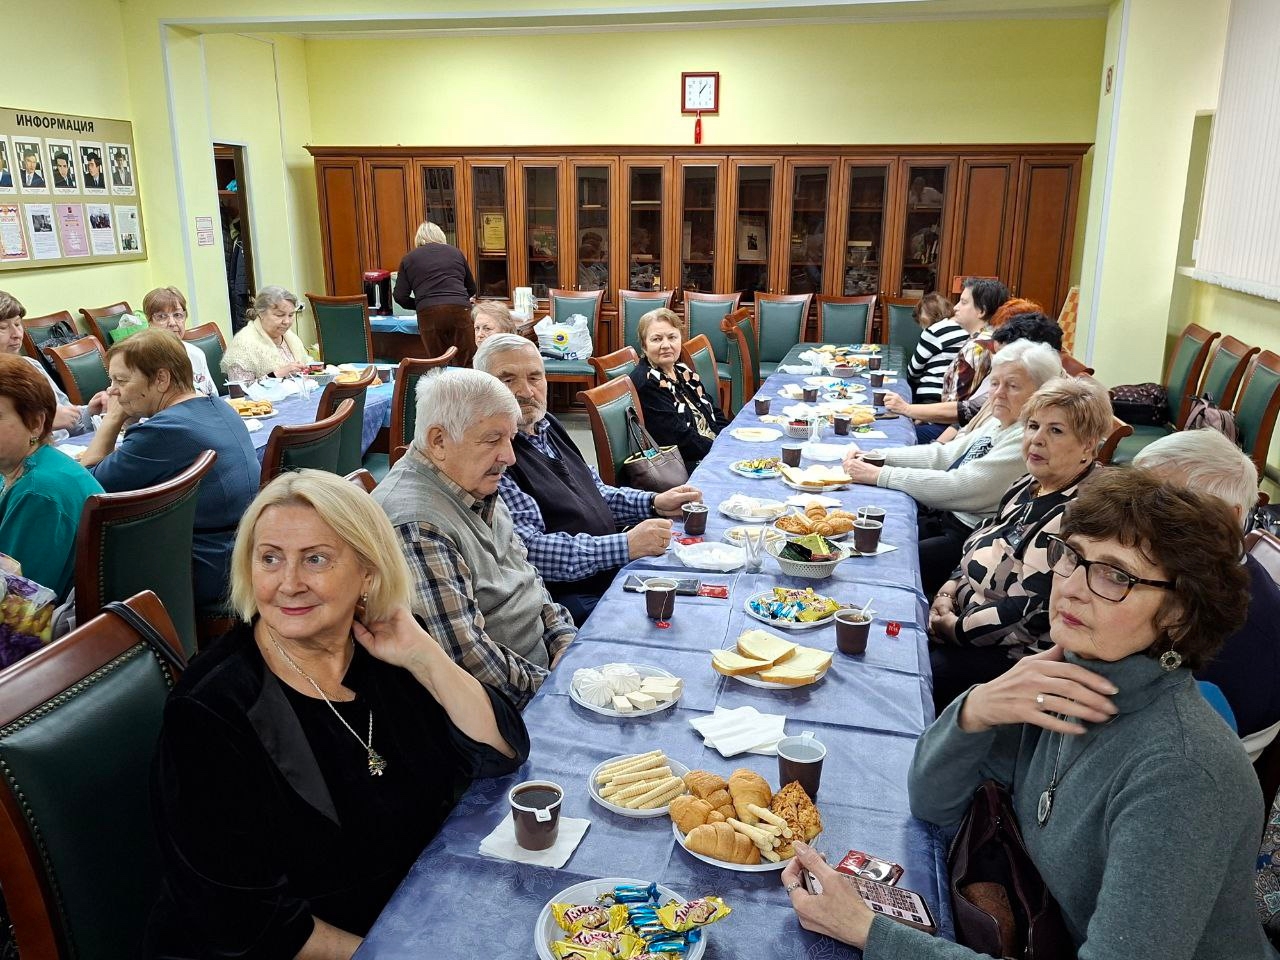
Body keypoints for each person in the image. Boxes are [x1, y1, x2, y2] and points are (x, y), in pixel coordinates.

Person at [783, 469, 1277, 960]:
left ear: (1179, 612)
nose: (1073, 588)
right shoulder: (1064, 681)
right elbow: (933, 804)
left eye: (1115, 575)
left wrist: (871, 931)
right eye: (1072, 556)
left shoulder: (1181, 775)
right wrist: (977, 708)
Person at [147, 470, 527, 959]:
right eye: (270, 559)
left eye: (316, 559)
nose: (289, 584)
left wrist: (424, 655)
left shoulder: (379, 654)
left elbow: (500, 754)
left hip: (407, 907)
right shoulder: (210, 711)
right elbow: (245, 920)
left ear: (367, 572)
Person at [372, 367, 577, 708]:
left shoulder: (472, 482)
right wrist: (556, 689)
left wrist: (563, 639)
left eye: (511, 438)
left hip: (543, 672)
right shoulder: (416, 525)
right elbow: (468, 660)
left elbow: (528, 578)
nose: (509, 457)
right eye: (493, 439)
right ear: (438, 441)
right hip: (506, 708)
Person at [476, 333, 703, 625]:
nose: (526, 392)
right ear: (483, 387)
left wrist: (654, 502)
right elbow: (529, 549)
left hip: (607, 569)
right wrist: (624, 546)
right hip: (568, 597)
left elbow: (595, 491)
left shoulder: (546, 425)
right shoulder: (496, 454)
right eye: (508, 381)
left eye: (535, 378)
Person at [928, 377, 1113, 709]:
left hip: (1011, 657)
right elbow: (981, 536)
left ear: (1088, 445)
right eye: (1033, 426)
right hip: (966, 616)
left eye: (1056, 431)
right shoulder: (1030, 483)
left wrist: (954, 628)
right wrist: (947, 590)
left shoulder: (1076, 516)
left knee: (919, 675)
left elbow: (1027, 612)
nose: (1037, 440)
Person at [843, 340, 1064, 595]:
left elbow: (960, 486)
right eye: (994, 383)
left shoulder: (1028, 437)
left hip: (971, 539)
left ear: (1040, 393)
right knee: (861, 533)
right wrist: (876, 456)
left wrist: (880, 474)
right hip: (944, 519)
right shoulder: (1001, 420)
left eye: (1012, 386)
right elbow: (944, 455)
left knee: (882, 564)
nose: (998, 393)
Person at [81, 330, 259, 608]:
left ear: (161, 379)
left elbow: (87, 486)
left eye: (121, 380)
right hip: (242, 550)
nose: (112, 391)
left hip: (209, 569)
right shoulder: (219, 407)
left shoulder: (162, 432)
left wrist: (113, 418)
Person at [1134, 429, 1280, 739]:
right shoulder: (1191, 568)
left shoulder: (1234, 619)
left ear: (1224, 519)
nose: (1134, 516)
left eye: (1163, 504)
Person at [0, 355, 103, 606]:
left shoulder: (39, 492)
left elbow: (16, 602)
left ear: (36, 423)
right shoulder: (28, 467)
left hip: (56, 634)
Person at [884, 278, 1009, 441]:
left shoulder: (978, 347)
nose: (955, 307)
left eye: (963, 302)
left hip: (953, 432)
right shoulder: (985, 339)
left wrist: (908, 409)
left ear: (981, 311)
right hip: (949, 425)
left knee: (891, 434)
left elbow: (961, 412)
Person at [628, 307, 730, 472]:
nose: (666, 345)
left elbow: (714, 412)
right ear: (644, 346)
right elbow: (680, 439)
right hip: (686, 464)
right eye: (656, 339)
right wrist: (723, 450)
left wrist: (730, 438)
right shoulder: (648, 382)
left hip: (710, 449)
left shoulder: (682, 371)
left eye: (672, 337)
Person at [0, 290, 102, 441]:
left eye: (17, 324)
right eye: (3, 327)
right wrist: (42, 424)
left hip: (67, 448)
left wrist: (91, 411)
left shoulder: (31, 365)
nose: (16, 334)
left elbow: (66, 415)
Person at [394, 221, 477, 366]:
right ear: (441, 236)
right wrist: (460, 299)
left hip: (428, 314)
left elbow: (400, 296)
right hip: (459, 309)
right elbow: (472, 288)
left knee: (438, 364)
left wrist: (421, 304)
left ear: (418, 239)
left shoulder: (409, 258)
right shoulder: (455, 253)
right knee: (468, 361)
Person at [222, 285, 309, 382]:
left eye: (291, 315)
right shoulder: (243, 344)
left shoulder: (290, 337)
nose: (287, 321)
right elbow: (240, 390)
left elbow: (307, 366)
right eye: (280, 315)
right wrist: (277, 375)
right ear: (261, 313)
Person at [142, 286, 215, 396]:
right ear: (149, 321)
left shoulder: (196, 354)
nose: (172, 322)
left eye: (177, 315)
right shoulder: (138, 358)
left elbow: (211, 396)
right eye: (162, 316)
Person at [905, 292, 964, 403]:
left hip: (932, 395)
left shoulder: (934, 331)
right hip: (957, 395)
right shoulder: (965, 327)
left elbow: (914, 370)